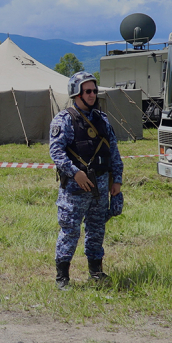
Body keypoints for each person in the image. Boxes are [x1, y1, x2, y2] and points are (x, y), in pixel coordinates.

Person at [49, 72, 123, 289]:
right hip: (75, 189)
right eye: (88, 91)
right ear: (77, 93)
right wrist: (75, 172)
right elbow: (56, 152)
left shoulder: (103, 120)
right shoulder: (64, 120)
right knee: (70, 231)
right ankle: (62, 277)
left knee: (97, 229)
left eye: (94, 90)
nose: (93, 95)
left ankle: (96, 272)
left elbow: (115, 153)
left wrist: (116, 181)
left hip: (100, 188)